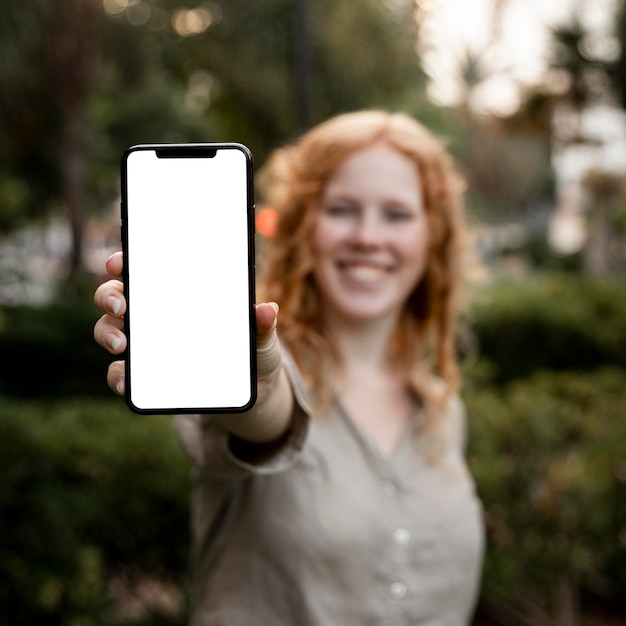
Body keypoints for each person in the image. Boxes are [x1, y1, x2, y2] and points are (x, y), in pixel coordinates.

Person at [94, 110, 484, 626]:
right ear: (303, 225)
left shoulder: (441, 408)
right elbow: (264, 412)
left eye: (397, 214)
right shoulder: (249, 362)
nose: (369, 236)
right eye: (342, 209)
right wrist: (249, 368)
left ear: (432, 236)